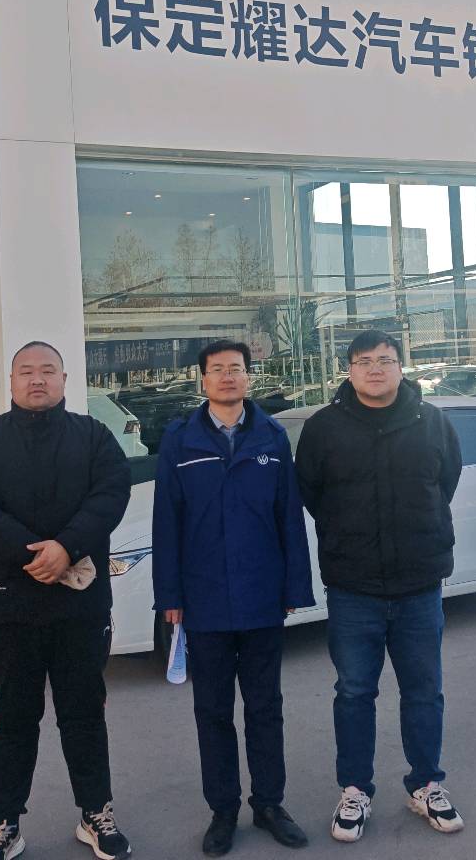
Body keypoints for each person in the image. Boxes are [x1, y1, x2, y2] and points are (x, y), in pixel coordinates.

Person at [0, 341, 133, 860]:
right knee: (12, 719)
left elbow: (110, 495)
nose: (37, 379)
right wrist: (34, 553)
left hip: (79, 607)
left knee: (84, 714)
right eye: (26, 371)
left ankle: (96, 813)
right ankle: (5, 823)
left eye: (48, 370)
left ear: (64, 380)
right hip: (6, 608)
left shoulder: (93, 437)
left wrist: (66, 548)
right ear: (10, 382)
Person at [294, 331, 464, 844]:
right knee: (353, 692)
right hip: (354, 588)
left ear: (401, 367)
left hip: (419, 585)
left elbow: (446, 482)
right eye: (364, 361)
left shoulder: (432, 422)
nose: (375, 369)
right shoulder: (324, 428)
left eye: (385, 360)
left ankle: (426, 784)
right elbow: (311, 493)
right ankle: (354, 790)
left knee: (424, 690)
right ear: (348, 370)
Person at [152, 340, 314, 857]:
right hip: (204, 600)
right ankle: (222, 811)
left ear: (248, 378)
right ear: (202, 379)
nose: (228, 376)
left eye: (236, 369)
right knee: (213, 711)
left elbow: (289, 516)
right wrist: (169, 595)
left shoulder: (271, 436)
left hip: (262, 595)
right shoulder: (180, 439)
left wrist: (295, 586)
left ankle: (269, 805)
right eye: (218, 369)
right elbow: (166, 522)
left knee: (266, 707)